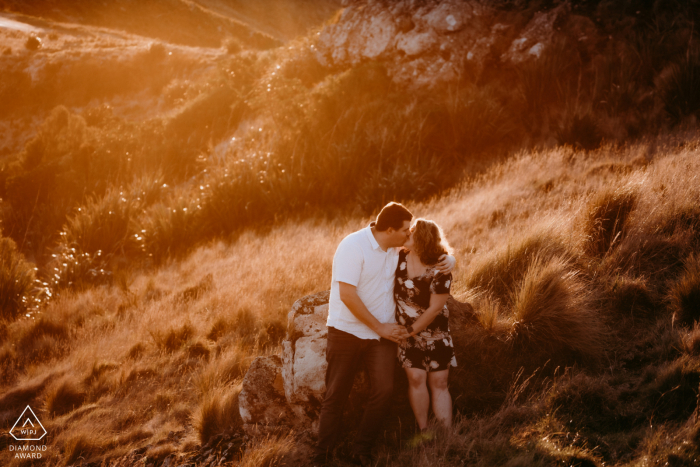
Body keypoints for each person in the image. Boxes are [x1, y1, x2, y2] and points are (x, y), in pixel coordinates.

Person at [315, 203, 455, 466]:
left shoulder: (396, 248)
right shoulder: (352, 246)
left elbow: (431, 250)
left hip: (381, 336)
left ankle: (361, 450)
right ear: (390, 230)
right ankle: (321, 455)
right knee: (336, 394)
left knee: (384, 391)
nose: (408, 234)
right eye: (405, 230)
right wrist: (379, 327)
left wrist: (451, 259)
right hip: (347, 331)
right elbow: (347, 295)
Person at [395, 219, 456, 433]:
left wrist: (451, 258)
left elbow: (435, 309)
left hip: (435, 332)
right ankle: (424, 430)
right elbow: (379, 233)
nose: (407, 234)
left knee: (439, 382)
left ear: (422, 239)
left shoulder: (440, 267)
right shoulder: (399, 256)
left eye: (412, 232)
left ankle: (446, 435)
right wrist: (408, 332)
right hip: (406, 332)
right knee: (416, 378)